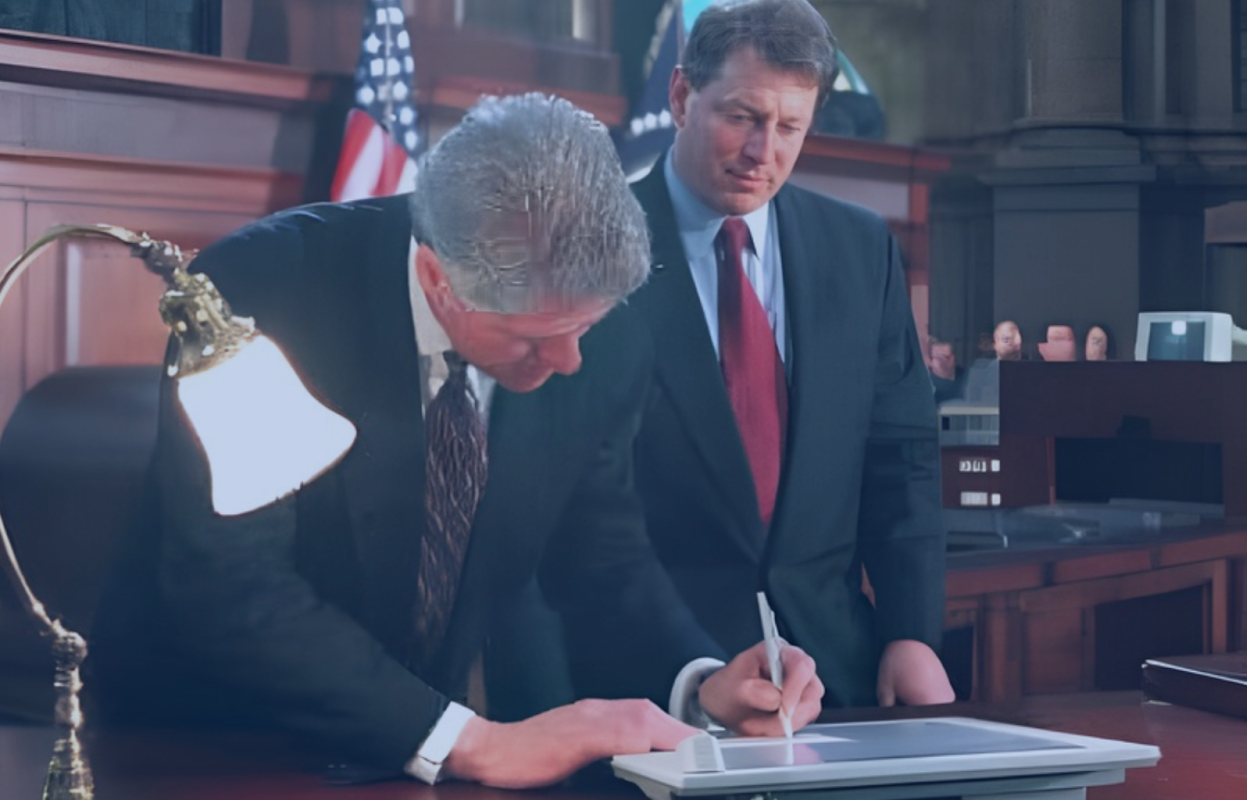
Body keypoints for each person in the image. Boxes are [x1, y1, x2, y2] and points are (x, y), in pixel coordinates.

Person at [92, 93, 823, 790]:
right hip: (210, 750)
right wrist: (476, 742)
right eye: (536, 337)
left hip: (414, 765)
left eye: (585, 329)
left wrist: (704, 684)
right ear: (441, 280)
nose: (570, 362)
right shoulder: (258, 299)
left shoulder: (608, 341)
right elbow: (232, 587)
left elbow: (603, 560)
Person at [608, 0, 952, 710]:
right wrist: (689, 681)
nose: (764, 152)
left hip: (839, 675)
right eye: (742, 117)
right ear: (680, 96)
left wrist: (911, 633)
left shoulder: (861, 252)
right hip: (657, 681)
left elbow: (902, 459)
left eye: (789, 126)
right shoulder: (598, 249)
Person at [927, 337, 965, 404]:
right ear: (930, 361)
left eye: (944, 357)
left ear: (953, 358)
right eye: (939, 357)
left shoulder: (966, 377)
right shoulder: (926, 382)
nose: (942, 361)